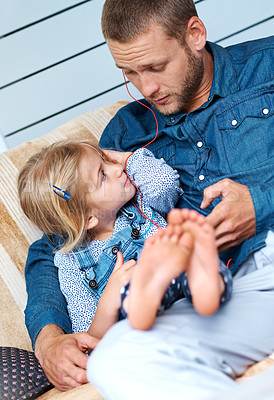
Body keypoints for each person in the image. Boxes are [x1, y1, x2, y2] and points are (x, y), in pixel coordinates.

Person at [23, 0, 274, 393]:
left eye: (156, 67)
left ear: (194, 34)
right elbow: (56, 242)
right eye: (129, 73)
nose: (147, 88)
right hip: (224, 292)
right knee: (115, 361)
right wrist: (48, 337)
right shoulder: (125, 135)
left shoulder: (266, 67)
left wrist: (262, 203)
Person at [18, 138, 231, 340]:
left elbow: (165, 183)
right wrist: (110, 298)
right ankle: (147, 298)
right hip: (141, 323)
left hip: (182, 287)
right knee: (133, 293)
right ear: (88, 218)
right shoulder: (71, 264)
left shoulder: (140, 200)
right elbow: (89, 338)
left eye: (106, 160)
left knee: (199, 262)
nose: (118, 169)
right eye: (103, 175)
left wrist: (127, 158)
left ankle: (204, 287)